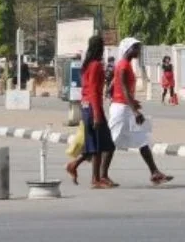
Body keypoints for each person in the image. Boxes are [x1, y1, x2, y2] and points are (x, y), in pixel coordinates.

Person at [108, 38, 172, 186]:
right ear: (128, 49)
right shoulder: (123, 66)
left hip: (126, 107)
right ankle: (99, 174)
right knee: (111, 142)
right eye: (136, 48)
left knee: (142, 139)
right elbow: (123, 90)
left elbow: (120, 88)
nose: (138, 51)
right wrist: (135, 111)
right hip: (121, 109)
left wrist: (134, 104)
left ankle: (155, 172)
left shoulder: (127, 65)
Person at [66, 35, 116, 188]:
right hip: (93, 107)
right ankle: (95, 179)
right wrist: (96, 114)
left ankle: (77, 167)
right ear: (99, 47)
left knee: (97, 145)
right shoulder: (95, 65)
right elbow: (94, 91)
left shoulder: (87, 65)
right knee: (100, 145)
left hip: (87, 106)